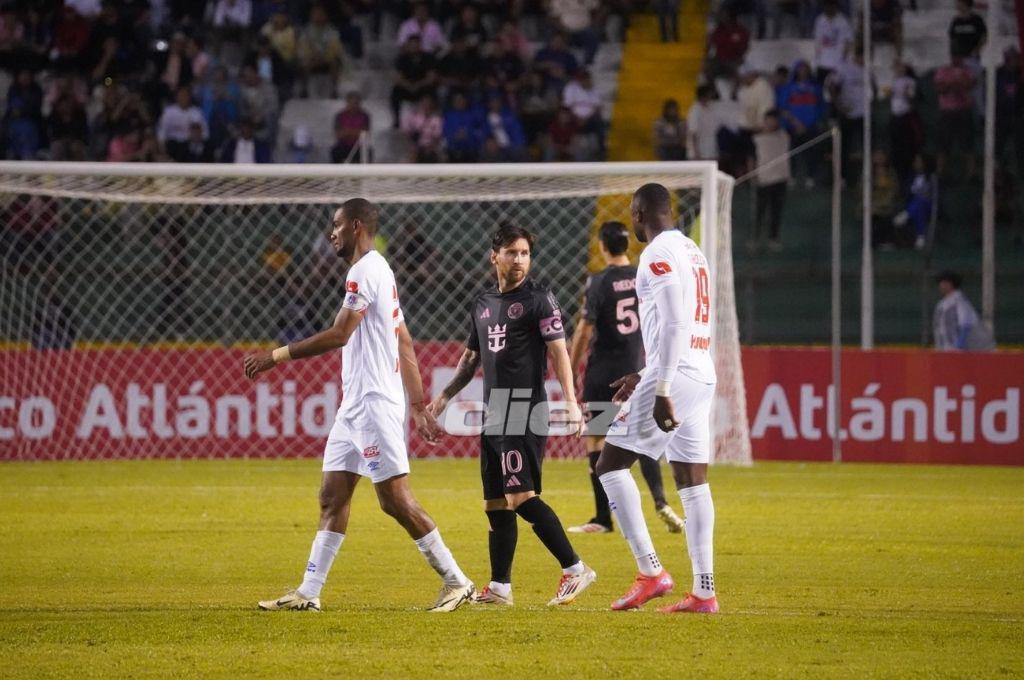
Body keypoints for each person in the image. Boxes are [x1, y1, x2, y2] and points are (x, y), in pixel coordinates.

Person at [244, 198, 475, 613]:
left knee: (394, 499)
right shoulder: (381, 272)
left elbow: (339, 334)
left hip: (372, 403)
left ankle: (457, 581)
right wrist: (419, 403)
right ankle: (308, 592)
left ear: (354, 226)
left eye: (335, 225)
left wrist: (274, 356)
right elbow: (402, 338)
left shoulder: (364, 270)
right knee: (332, 496)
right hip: (355, 406)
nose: (330, 233)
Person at [428, 223, 597, 607]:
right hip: (494, 412)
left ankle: (575, 568)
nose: (519, 260)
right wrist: (444, 397)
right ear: (495, 256)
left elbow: (559, 352)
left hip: (524, 408)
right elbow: (470, 359)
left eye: (524, 253)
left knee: (521, 496)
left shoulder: (540, 299)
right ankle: (500, 587)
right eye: (511, 253)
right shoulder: (483, 303)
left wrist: (571, 400)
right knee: (495, 501)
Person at [594, 183, 719, 614]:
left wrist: (660, 386)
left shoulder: (656, 253)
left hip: (676, 375)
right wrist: (649, 374)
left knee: (609, 466)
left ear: (640, 212)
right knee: (692, 481)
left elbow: (673, 321)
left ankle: (651, 573)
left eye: (633, 213)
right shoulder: (693, 251)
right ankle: (704, 591)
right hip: (701, 372)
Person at [567, 221, 686, 535]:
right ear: (626, 245)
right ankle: (661, 501)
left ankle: (602, 518)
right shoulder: (642, 274)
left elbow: (585, 327)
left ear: (603, 246)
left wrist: (571, 363)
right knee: (641, 438)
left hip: (603, 372)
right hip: (636, 370)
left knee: (596, 439)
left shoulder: (599, 281)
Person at [753, 110, 790, 251]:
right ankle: (756, 238)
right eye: (767, 120)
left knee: (776, 211)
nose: (770, 123)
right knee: (760, 210)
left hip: (780, 179)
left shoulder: (783, 136)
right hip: (764, 179)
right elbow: (753, 157)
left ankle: (773, 238)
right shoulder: (757, 138)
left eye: (773, 120)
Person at [932, 271, 995, 350]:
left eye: (943, 283)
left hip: (960, 350)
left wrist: (960, 344)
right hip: (946, 349)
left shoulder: (959, 302)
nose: (941, 286)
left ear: (950, 284)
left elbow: (966, 324)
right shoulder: (943, 304)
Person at [812, 0, 853, 83]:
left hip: (837, 63)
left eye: (831, 5)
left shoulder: (843, 22)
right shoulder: (820, 20)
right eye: (827, 5)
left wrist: (843, 59)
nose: (829, 8)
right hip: (822, 63)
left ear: (835, 6)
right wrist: (817, 59)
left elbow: (848, 42)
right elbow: (818, 41)